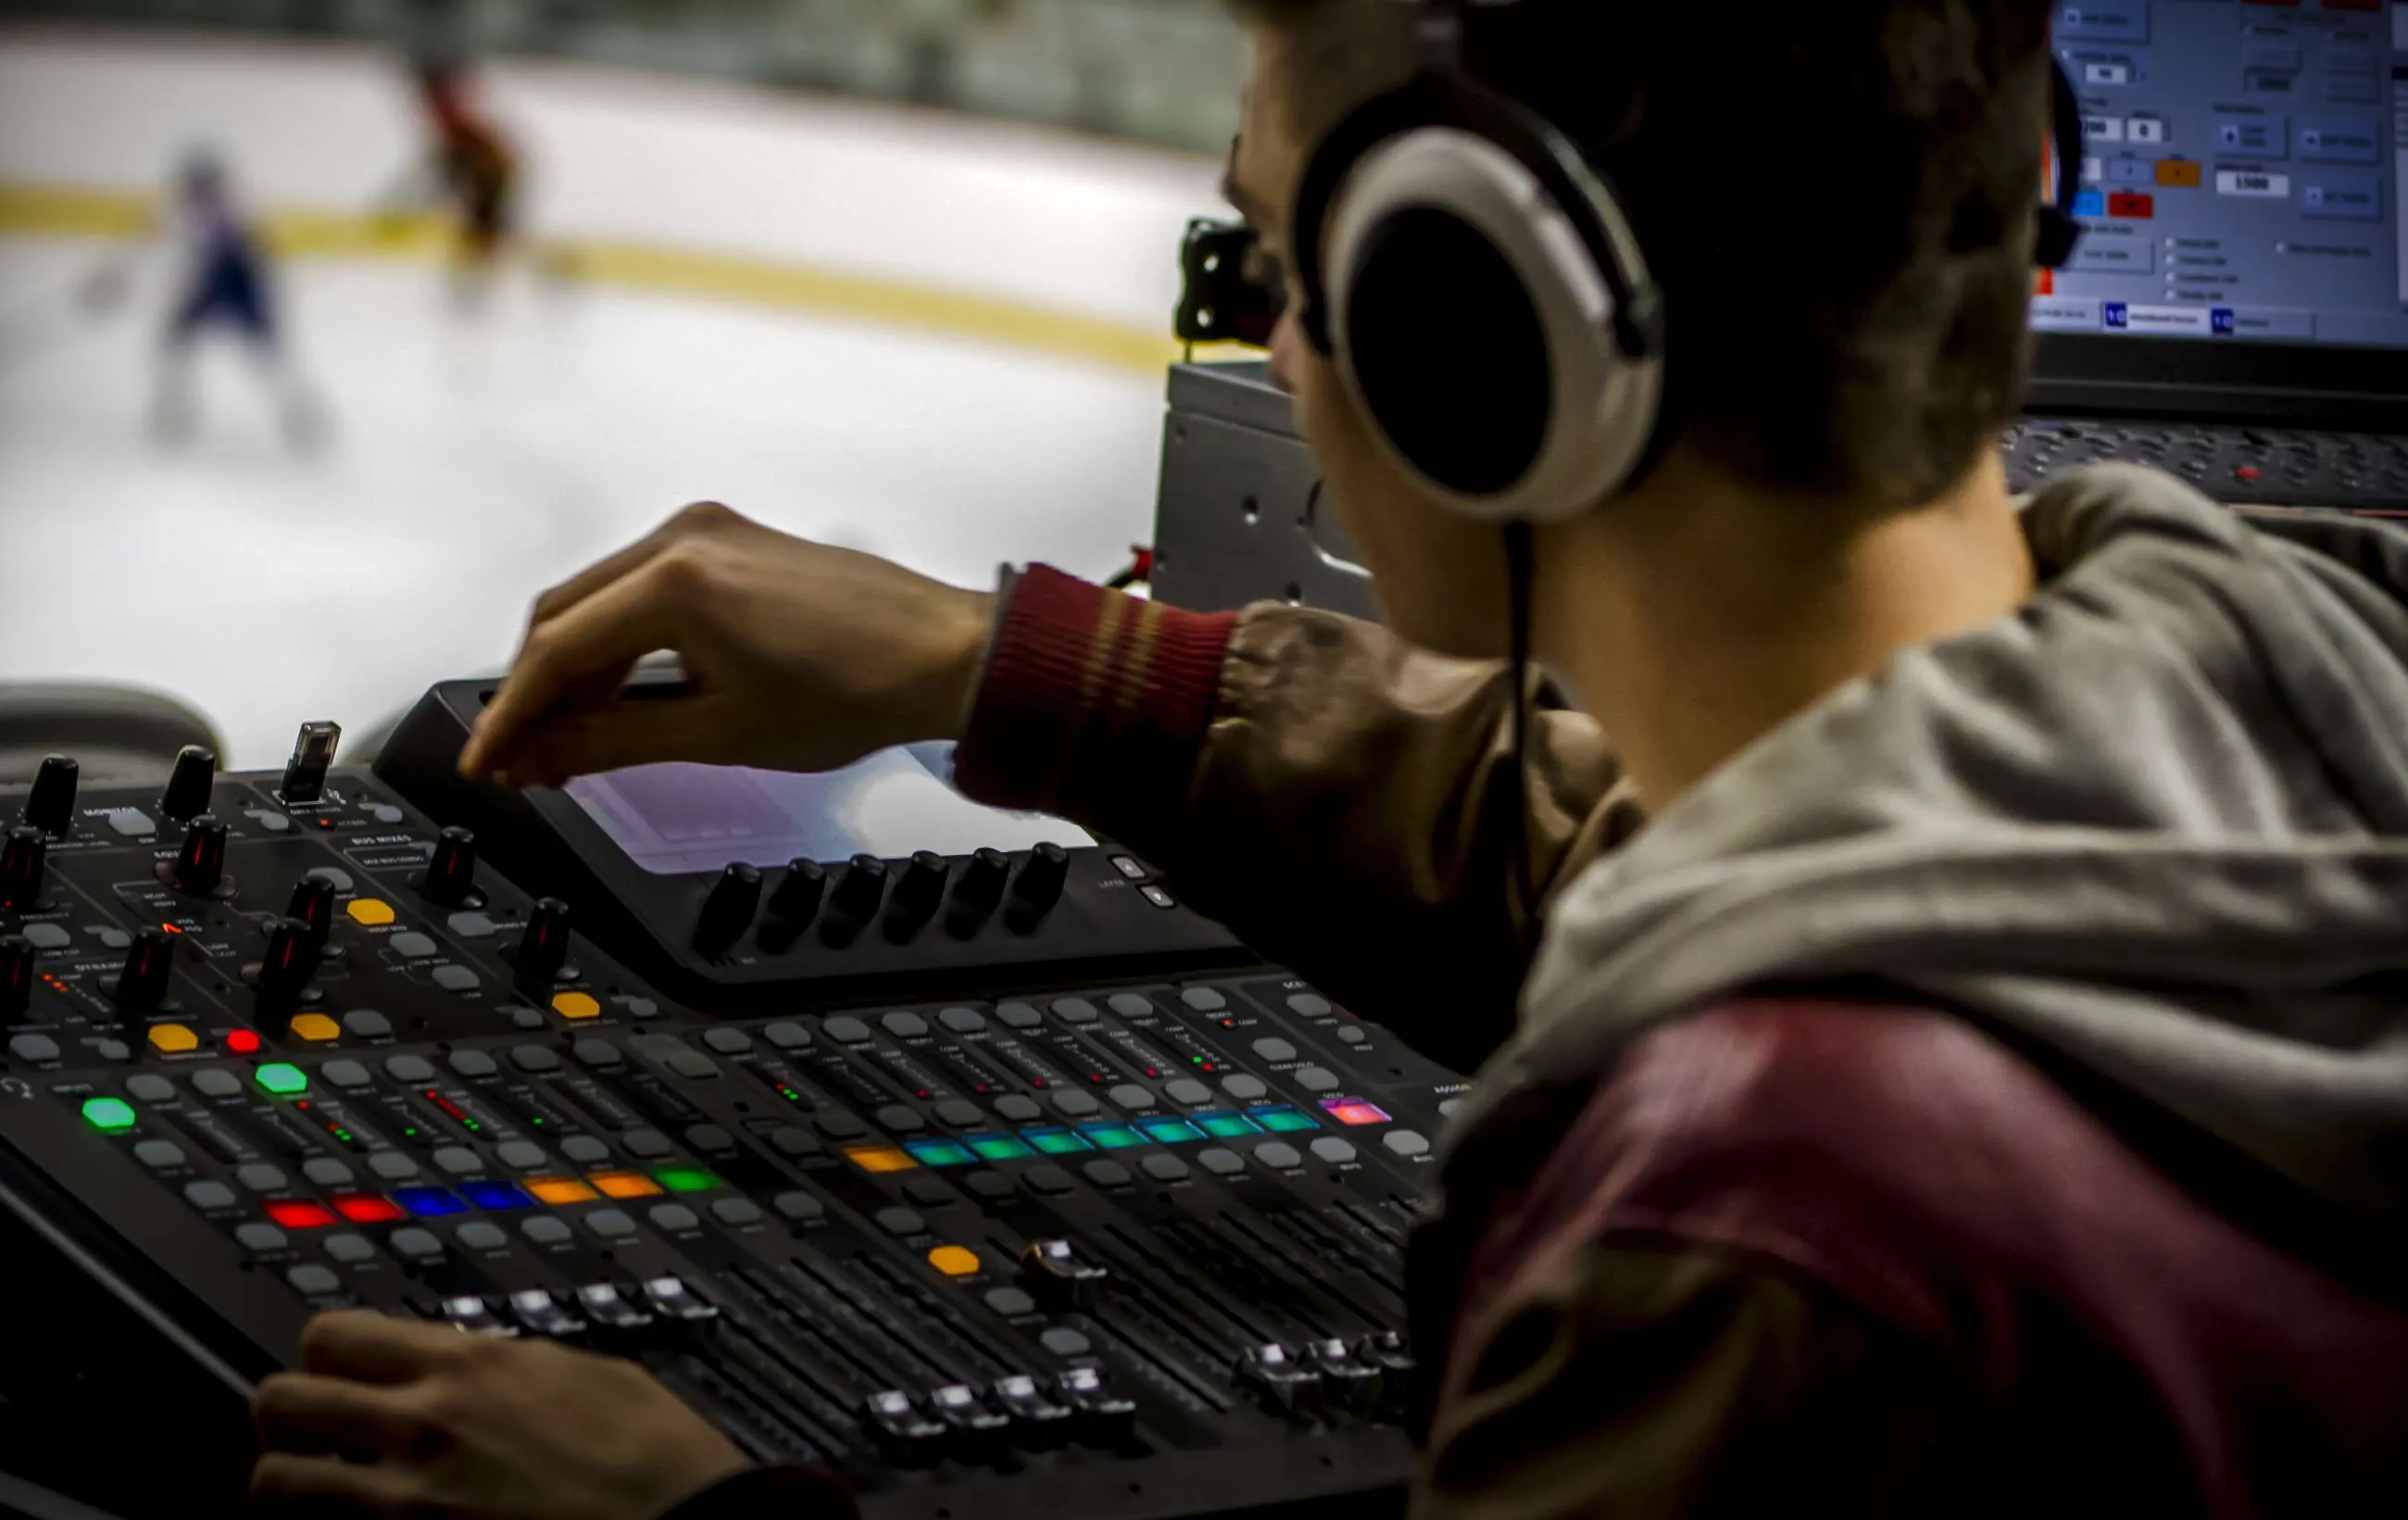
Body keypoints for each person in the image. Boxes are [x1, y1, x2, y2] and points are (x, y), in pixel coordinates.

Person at [248, 0, 2408, 1515]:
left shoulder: (1767, 1245)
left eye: (1283, 258)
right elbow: (1631, 832)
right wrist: (1000, 662)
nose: (1277, 332)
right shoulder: (2282, 684)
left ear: (1489, 340)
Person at [85, 147, 323, 449]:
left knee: (266, 359)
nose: (194, 191)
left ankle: (299, 417)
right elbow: (144, 245)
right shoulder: (178, 211)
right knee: (175, 349)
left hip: (235, 293)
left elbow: (256, 260)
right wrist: (113, 277)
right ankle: (174, 414)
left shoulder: (233, 213)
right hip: (203, 293)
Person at [394, 56, 523, 311]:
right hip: (488, 176)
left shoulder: (460, 127)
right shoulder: (457, 125)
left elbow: (451, 166)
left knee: (484, 233)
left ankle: (478, 281)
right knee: (482, 234)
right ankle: (476, 280)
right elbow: (447, 167)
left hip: (491, 178)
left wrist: (420, 198)